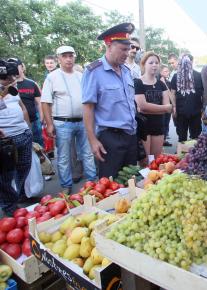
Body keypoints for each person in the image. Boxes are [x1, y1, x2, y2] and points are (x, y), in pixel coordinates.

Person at [82, 23, 138, 178]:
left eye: (128, 49)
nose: (127, 53)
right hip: (110, 139)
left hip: (131, 136)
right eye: (123, 49)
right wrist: (93, 140)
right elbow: (88, 108)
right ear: (109, 45)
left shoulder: (126, 71)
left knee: (131, 182)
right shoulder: (94, 71)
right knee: (110, 186)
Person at [42, 45, 96, 194]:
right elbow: (45, 102)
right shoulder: (52, 77)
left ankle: (92, 182)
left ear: (74, 57)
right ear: (58, 58)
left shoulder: (81, 75)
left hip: (83, 121)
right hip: (62, 123)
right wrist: (49, 124)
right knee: (64, 157)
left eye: (70, 55)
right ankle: (66, 185)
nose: (68, 58)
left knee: (88, 153)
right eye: (64, 56)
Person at [0, 69, 32, 215]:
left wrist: (28, 127)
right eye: (7, 78)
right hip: (6, 140)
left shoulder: (12, 89)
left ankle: (17, 196)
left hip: (23, 133)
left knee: (24, 168)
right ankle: (10, 207)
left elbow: (22, 107)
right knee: (7, 176)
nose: (11, 80)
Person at [135, 51, 172, 158]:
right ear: (144, 64)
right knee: (145, 161)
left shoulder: (161, 84)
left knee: (155, 160)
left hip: (158, 126)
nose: (154, 65)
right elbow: (142, 106)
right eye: (151, 62)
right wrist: (163, 108)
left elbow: (168, 107)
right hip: (143, 126)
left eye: (156, 62)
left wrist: (150, 108)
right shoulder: (138, 82)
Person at [8, 58, 44, 147]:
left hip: (34, 121)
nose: (13, 68)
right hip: (15, 124)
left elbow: (39, 102)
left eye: (16, 66)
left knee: (38, 148)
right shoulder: (6, 86)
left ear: (22, 67)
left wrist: (41, 119)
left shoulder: (32, 83)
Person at [170, 54, 203, 142]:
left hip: (196, 112)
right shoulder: (176, 76)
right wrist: (174, 107)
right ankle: (181, 154)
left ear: (192, 62)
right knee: (182, 137)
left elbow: (203, 94)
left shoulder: (199, 76)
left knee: (195, 137)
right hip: (181, 112)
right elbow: (172, 93)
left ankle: (195, 155)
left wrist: (203, 109)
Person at [159, 65, 172, 147]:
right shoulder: (158, 82)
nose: (168, 72)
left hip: (168, 106)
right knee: (162, 124)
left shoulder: (168, 82)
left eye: (168, 71)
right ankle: (160, 141)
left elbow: (170, 93)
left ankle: (164, 139)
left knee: (166, 123)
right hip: (161, 106)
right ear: (160, 72)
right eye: (165, 71)